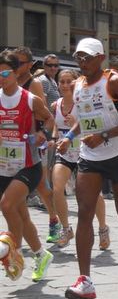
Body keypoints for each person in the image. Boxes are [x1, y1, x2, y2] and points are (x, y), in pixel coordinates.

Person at [56, 37, 118, 299]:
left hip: (117, 154)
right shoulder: (78, 85)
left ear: (101, 58)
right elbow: (84, 119)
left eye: (88, 57)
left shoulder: (113, 82)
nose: (82, 62)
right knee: (85, 213)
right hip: (89, 157)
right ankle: (85, 280)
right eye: (79, 57)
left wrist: (106, 135)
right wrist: (69, 137)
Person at [0, 50, 55, 282]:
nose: (1, 77)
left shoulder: (30, 99)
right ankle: (41, 254)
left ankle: (15, 253)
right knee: (21, 215)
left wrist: (43, 133)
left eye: (5, 72)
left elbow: (50, 119)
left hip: (28, 165)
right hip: (4, 165)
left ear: (16, 72)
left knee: (6, 205)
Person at [50, 69, 109, 249]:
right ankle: (66, 229)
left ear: (76, 83)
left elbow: (95, 125)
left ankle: (103, 228)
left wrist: (75, 124)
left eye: (70, 81)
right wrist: (54, 140)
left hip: (85, 154)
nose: (66, 85)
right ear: (58, 84)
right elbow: (55, 126)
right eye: (62, 81)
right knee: (57, 189)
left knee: (93, 195)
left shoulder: (84, 102)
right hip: (65, 153)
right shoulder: (56, 105)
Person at [12, 47, 60, 243]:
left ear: (30, 64)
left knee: (41, 186)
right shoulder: (9, 80)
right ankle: (17, 233)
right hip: (11, 142)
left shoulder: (35, 84)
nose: (16, 66)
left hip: (32, 142)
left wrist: (43, 134)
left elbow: (45, 114)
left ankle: (54, 219)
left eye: (20, 63)